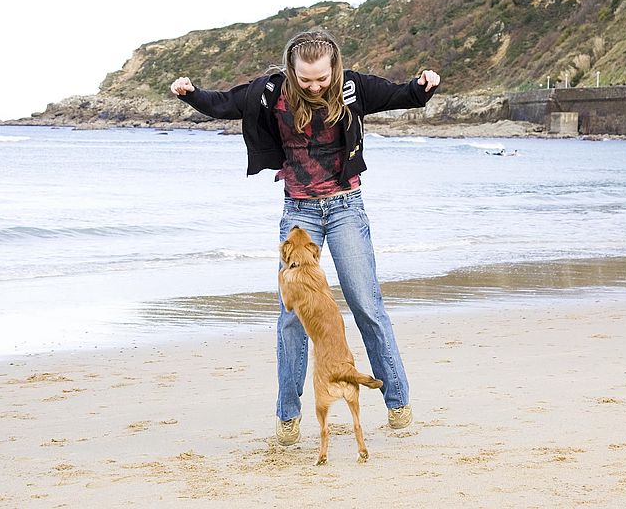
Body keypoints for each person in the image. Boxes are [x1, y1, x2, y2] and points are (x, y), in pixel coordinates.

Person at [170, 30, 440, 445]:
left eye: (321, 79)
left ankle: (398, 400)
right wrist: (191, 93)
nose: (315, 86)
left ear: (334, 67)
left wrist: (423, 86)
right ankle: (287, 415)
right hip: (299, 212)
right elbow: (225, 103)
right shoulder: (271, 91)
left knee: (366, 304)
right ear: (291, 69)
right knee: (292, 317)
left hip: (346, 206)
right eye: (306, 79)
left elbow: (399, 95)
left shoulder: (353, 87)